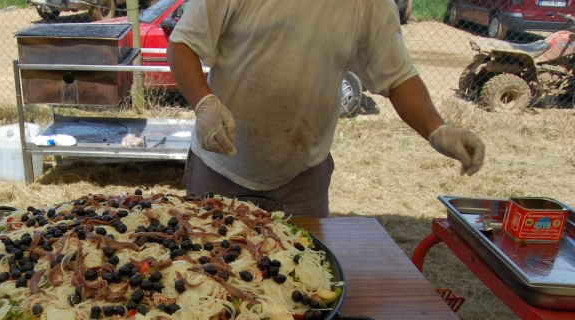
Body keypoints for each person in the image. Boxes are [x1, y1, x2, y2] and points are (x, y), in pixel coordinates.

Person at [166, 0, 486, 217]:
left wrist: (438, 130)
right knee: (209, 280)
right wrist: (204, 104)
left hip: (304, 177)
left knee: (303, 285)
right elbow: (183, 45)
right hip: (222, 168)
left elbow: (397, 76)